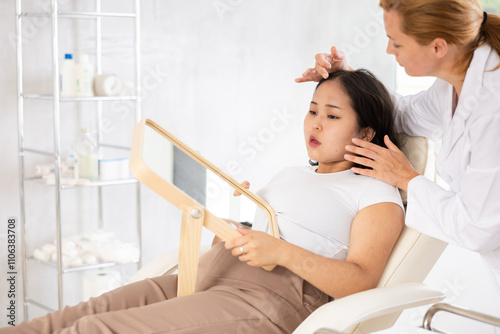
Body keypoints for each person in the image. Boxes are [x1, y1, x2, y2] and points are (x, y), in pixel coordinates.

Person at [1, 69, 404, 334]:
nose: (315, 122)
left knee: (95, 331)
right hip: (207, 277)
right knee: (69, 319)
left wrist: (281, 251)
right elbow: (226, 245)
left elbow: (361, 280)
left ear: (366, 134)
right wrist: (232, 221)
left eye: (332, 116)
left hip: (267, 303)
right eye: (312, 110)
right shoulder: (292, 174)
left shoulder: (374, 192)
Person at [296, 0, 500, 296]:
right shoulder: (457, 78)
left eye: (397, 43)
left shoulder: (491, 106)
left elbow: (476, 227)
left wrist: (406, 178)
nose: (389, 51)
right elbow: (406, 114)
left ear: (438, 47)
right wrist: (347, 82)